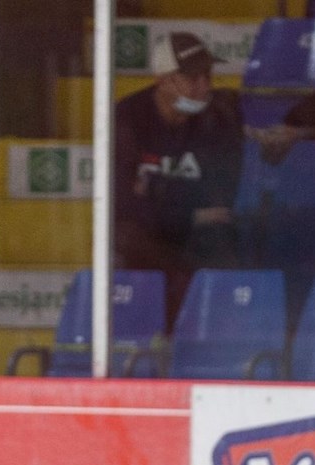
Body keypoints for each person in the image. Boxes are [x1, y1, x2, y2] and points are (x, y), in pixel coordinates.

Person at [113, 32, 243, 330]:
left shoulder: (220, 118)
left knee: (222, 245)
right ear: (163, 80)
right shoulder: (128, 117)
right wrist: (188, 212)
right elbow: (122, 203)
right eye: (193, 78)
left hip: (198, 236)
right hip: (150, 236)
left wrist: (155, 194)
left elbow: (219, 198)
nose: (205, 87)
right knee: (128, 238)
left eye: (208, 76)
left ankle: (214, 343)